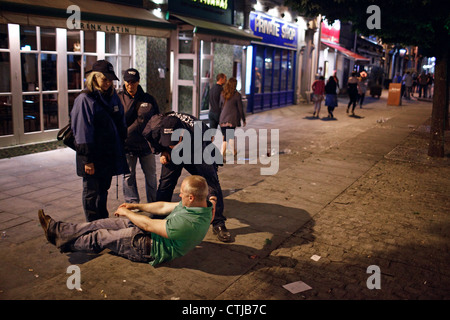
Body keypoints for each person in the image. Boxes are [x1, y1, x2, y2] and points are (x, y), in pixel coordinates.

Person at [37, 175, 215, 266]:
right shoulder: (201, 205)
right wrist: (136, 206)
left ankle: (61, 240)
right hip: (149, 233)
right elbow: (162, 207)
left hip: (148, 247)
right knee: (100, 223)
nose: (180, 194)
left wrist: (127, 213)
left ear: (191, 197)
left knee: (101, 236)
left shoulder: (189, 223)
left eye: (182, 193)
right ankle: (57, 229)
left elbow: (148, 224)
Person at [142, 111, 231, 242]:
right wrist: (163, 150)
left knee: (211, 182)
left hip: (196, 151)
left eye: (174, 142)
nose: (171, 144)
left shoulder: (199, 133)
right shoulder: (155, 126)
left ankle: (218, 223)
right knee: (165, 184)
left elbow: (210, 177)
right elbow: (148, 136)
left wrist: (212, 197)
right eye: (168, 142)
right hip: (173, 155)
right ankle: (157, 220)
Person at [70, 60, 129, 222]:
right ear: (94, 78)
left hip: (107, 155)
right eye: (105, 79)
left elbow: (120, 120)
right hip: (92, 156)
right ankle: (93, 225)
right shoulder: (84, 100)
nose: (108, 82)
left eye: (111, 79)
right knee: (91, 192)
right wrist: (87, 160)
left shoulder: (112, 96)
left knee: (103, 190)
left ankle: (102, 221)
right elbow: (82, 131)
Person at [118, 68, 160, 204]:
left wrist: (157, 142)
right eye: (128, 82)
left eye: (134, 82)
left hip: (146, 145)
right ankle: (132, 206)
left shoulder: (148, 99)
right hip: (127, 146)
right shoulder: (118, 99)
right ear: (124, 82)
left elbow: (157, 120)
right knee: (128, 176)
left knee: (151, 177)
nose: (131, 85)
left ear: (139, 81)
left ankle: (153, 205)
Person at [219, 77, 246, 159]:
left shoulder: (223, 93)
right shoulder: (237, 95)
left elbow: (220, 106)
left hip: (223, 118)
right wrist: (243, 119)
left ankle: (234, 151)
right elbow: (240, 109)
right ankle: (220, 155)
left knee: (227, 136)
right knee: (227, 137)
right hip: (231, 120)